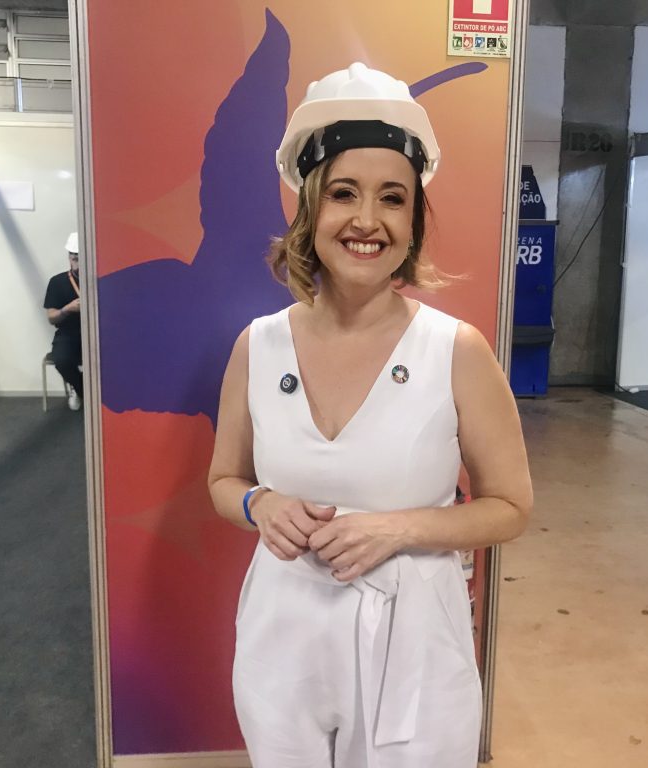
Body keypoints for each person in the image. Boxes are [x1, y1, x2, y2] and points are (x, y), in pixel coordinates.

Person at [208, 62, 533, 768]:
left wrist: (399, 527)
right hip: (282, 636)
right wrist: (261, 503)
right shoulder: (258, 346)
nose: (366, 220)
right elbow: (223, 482)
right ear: (309, 211)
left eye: (393, 198)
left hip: (414, 646)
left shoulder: (455, 350)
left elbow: (510, 507)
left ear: (413, 222)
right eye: (343, 193)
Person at [44, 232, 83, 411]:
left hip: (99, 333)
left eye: (80, 259)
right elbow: (51, 317)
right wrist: (67, 309)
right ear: (69, 257)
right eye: (73, 258)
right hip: (68, 333)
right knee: (62, 360)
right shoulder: (57, 282)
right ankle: (80, 388)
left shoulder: (99, 280)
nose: (76, 263)